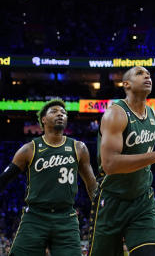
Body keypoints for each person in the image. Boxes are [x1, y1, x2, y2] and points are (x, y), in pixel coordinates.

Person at [89, 66, 155, 256]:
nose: (147, 76)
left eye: (148, 74)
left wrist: (154, 157)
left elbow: (141, 160)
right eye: (140, 74)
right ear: (127, 84)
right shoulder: (115, 114)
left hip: (142, 201)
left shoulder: (154, 117)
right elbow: (109, 165)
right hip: (111, 200)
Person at [0, 99, 97, 255]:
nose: (60, 114)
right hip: (35, 217)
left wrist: (104, 208)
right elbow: (4, 179)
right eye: (54, 111)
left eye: (63, 113)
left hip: (66, 217)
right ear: (43, 120)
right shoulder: (29, 149)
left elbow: (92, 186)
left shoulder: (79, 148)